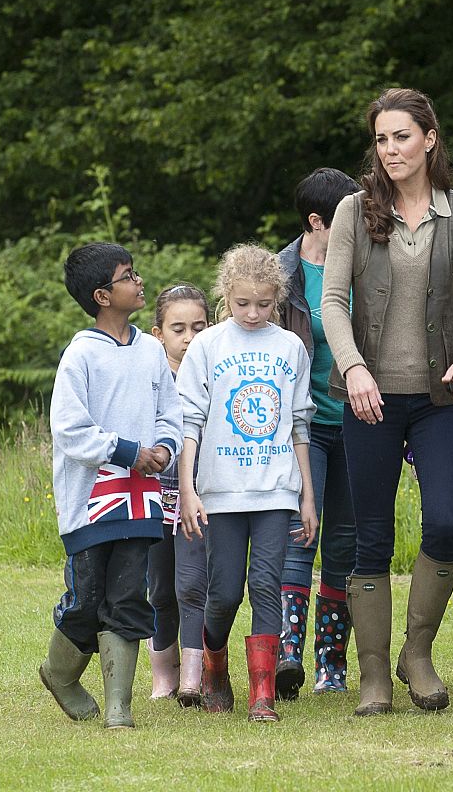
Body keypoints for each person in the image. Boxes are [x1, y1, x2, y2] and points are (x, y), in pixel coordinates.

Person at [322, 87, 453, 714]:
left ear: (430, 138)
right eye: (381, 139)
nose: (390, 150)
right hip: (368, 399)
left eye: (402, 136)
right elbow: (332, 301)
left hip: (437, 398)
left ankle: (416, 655)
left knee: (445, 522)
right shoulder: (351, 211)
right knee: (372, 537)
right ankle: (373, 676)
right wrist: (354, 368)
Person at [39, 242, 183, 730]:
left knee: (127, 596)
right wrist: (128, 452)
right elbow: (70, 429)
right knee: (86, 597)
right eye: (128, 275)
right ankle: (60, 676)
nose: (139, 281)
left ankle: (119, 706)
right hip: (90, 505)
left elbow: (171, 412)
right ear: (102, 294)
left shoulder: (150, 352)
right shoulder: (80, 355)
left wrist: (164, 447)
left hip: (140, 501)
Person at [176, 244, 318, 722]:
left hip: (276, 489)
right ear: (226, 297)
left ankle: (263, 696)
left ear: (277, 298)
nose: (253, 313)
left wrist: (307, 496)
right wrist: (190, 490)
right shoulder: (207, 346)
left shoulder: (290, 347)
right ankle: (215, 666)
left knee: (265, 584)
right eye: (242, 304)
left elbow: (300, 425)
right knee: (224, 592)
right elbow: (189, 424)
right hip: (221, 491)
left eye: (263, 303)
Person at [275, 168, 361, 700]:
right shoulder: (278, 278)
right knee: (297, 538)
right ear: (316, 222)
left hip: (356, 422)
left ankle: (332, 661)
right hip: (299, 428)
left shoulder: (366, 269)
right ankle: (287, 653)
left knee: (345, 545)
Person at [145, 283, 210, 706]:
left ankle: (193, 680)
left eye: (199, 327)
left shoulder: (211, 375)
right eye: (179, 329)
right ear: (158, 334)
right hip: (153, 498)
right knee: (159, 590)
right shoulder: (149, 380)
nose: (189, 338)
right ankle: (161, 680)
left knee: (192, 586)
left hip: (198, 498)